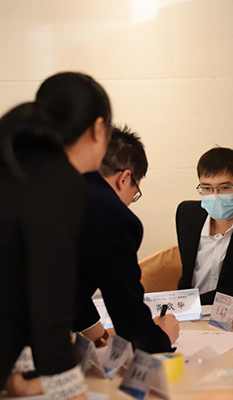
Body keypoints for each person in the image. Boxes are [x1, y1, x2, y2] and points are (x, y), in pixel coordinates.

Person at [1, 71, 112, 399]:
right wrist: (71, 392)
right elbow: (48, 301)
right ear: (98, 129)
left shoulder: (19, 165)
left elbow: (14, 283)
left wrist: (17, 380)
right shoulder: (58, 181)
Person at [71, 125, 179, 353]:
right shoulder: (112, 216)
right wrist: (161, 338)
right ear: (125, 177)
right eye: (135, 192)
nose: (130, 201)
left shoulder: (61, 189)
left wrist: (100, 337)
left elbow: (68, 280)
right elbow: (127, 311)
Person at [176, 147, 233, 304]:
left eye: (225, 188)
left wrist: (196, 301)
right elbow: (187, 277)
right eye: (207, 188)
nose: (215, 195)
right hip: (190, 310)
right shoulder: (187, 214)